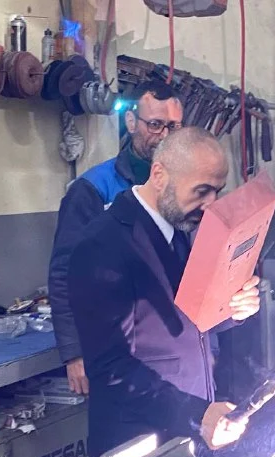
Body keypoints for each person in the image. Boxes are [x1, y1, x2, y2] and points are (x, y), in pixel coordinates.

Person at [68, 127, 261, 457]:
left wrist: (233, 310)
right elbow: (111, 367)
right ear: (160, 174)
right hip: (136, 449)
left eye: (217, 191)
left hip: (184, 435)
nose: (210, 205)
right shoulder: (103, 245)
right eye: (202, 191)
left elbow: (188, 322)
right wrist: (196, 412)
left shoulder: (179, 235)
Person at [49, 80, 184, 396]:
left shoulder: (183, 190)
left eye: (173, 127)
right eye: (155, 125)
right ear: (131, 121)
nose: (165, 136)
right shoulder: (93, 189)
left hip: (173, 346)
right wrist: (74, 352)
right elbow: (64, 273)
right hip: (115, 348)